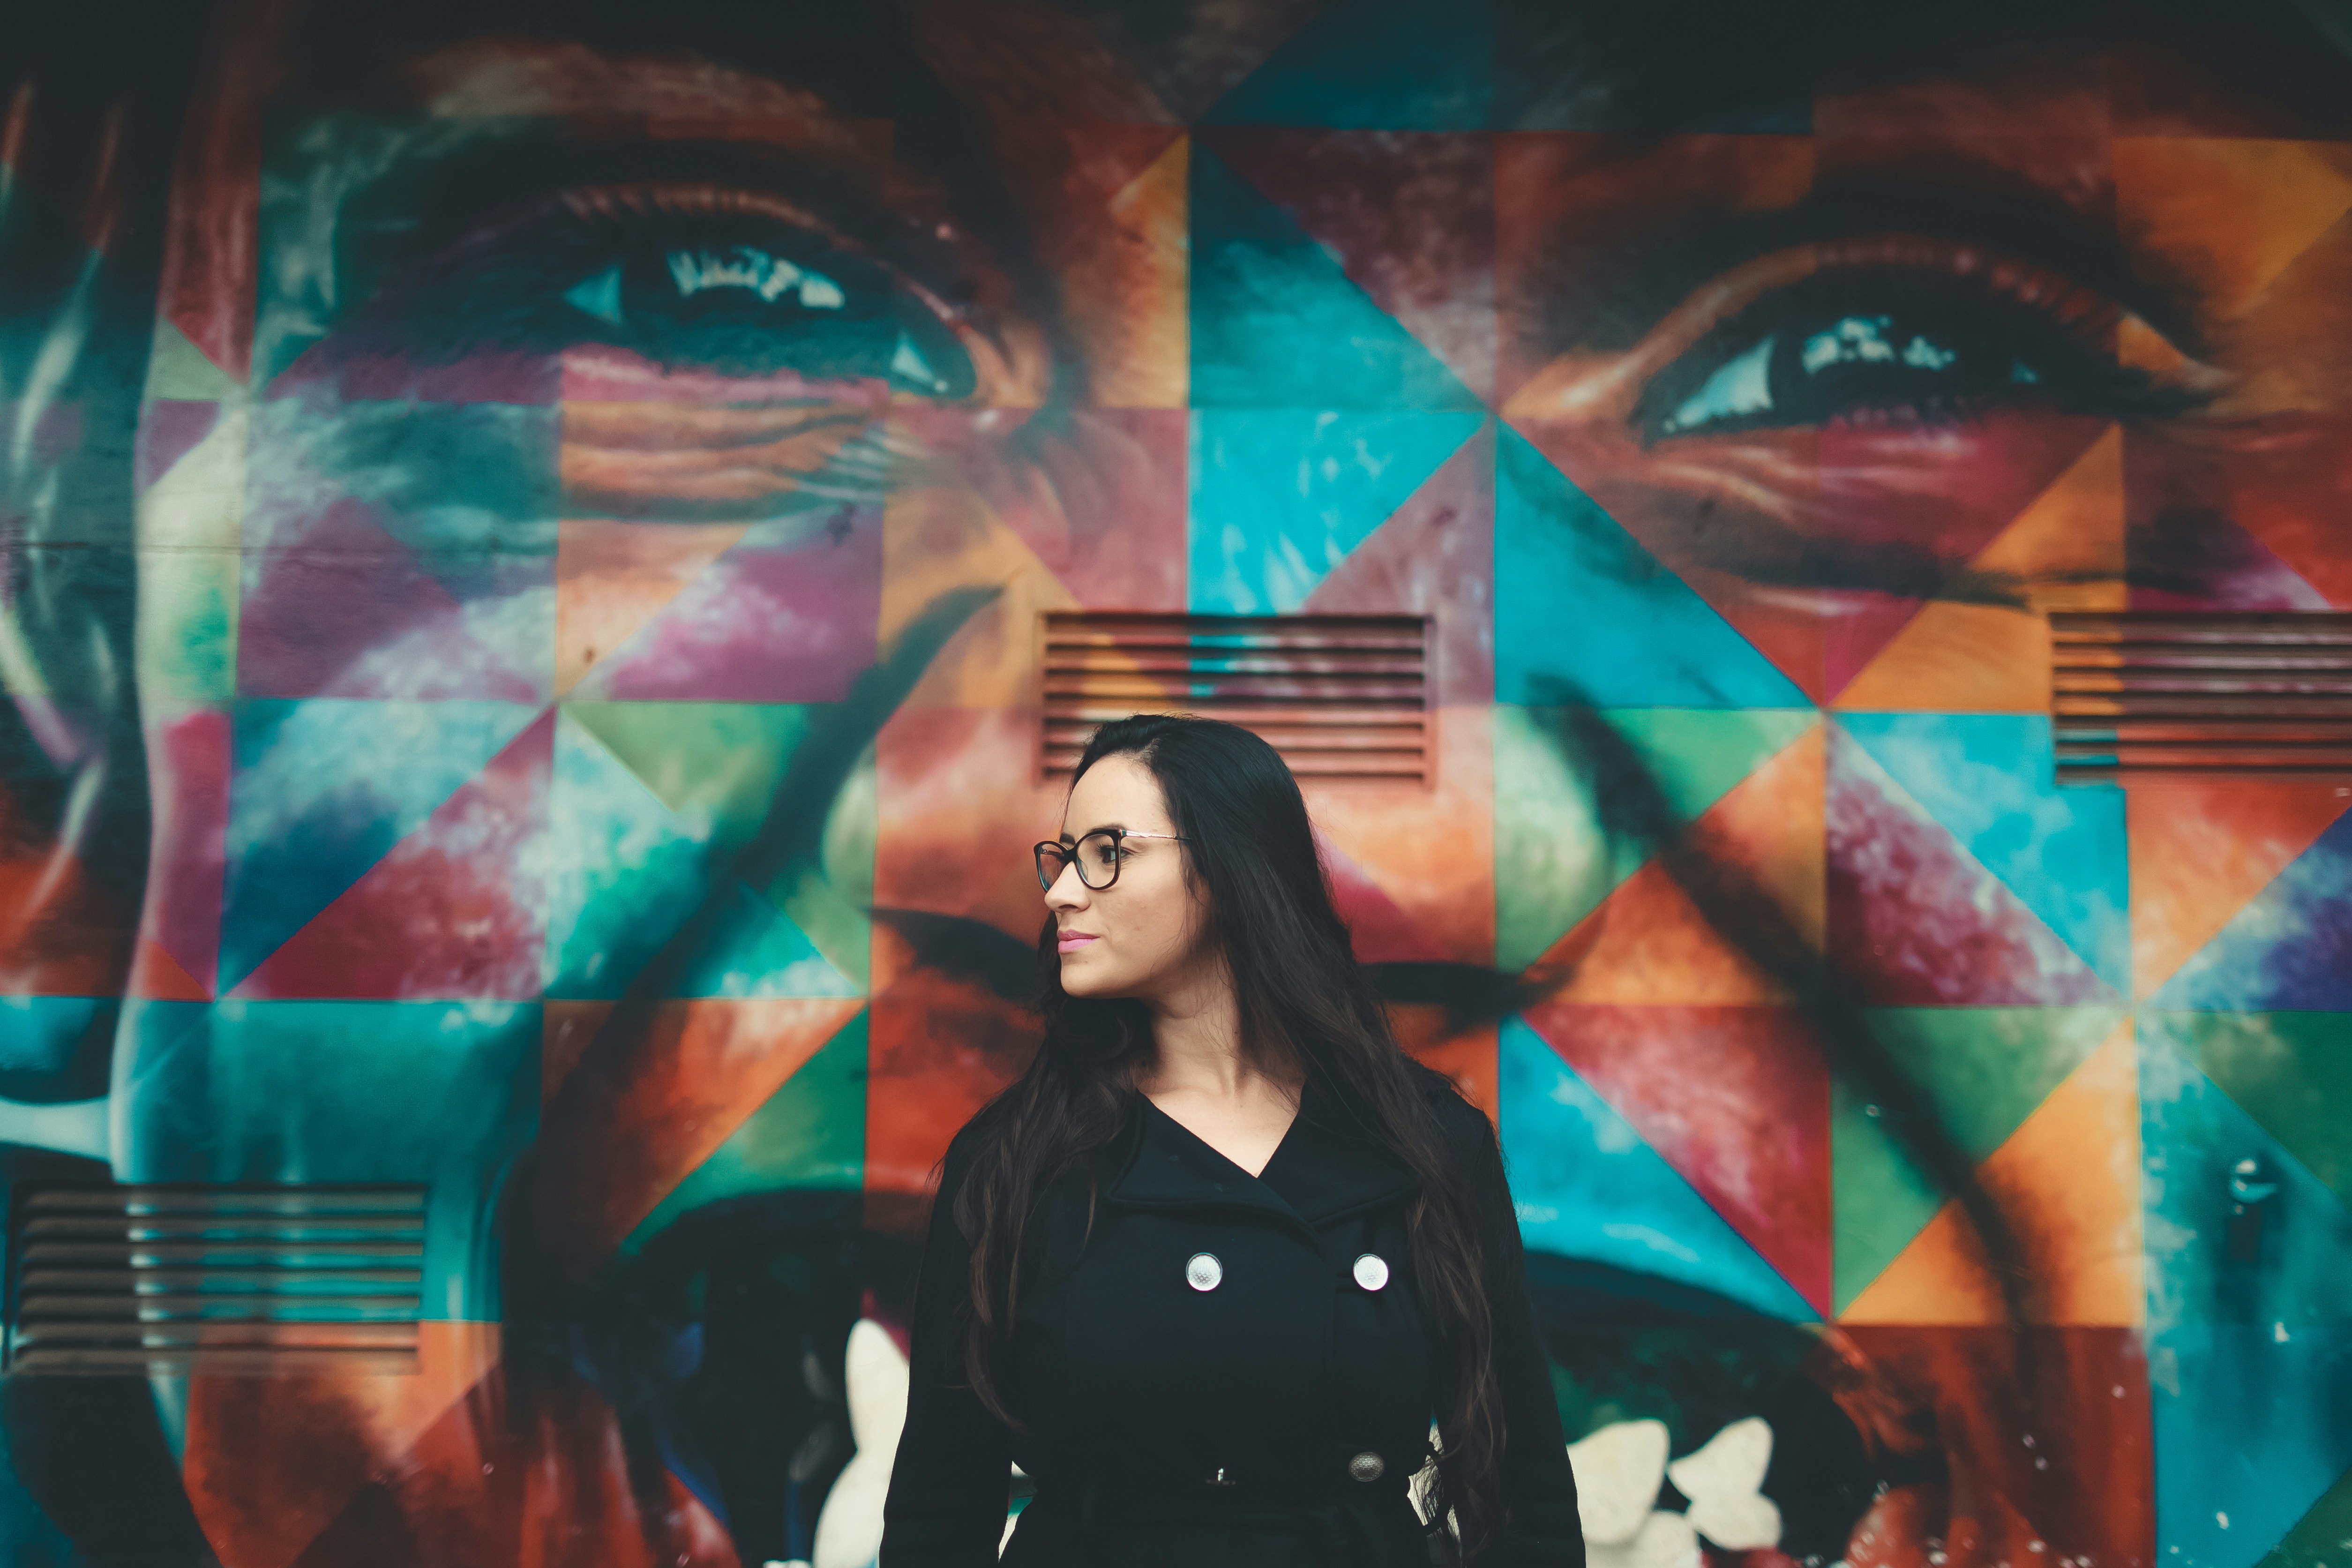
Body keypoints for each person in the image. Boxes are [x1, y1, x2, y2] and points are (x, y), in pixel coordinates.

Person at [879, 714, 1584, 1567]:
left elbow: (1525, 1499)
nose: (1062, 890)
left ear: (1229, 867)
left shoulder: (1425, 1143)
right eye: (1062, 858)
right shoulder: (1014, 1161)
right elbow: (939, 1512)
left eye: (1107, 852)